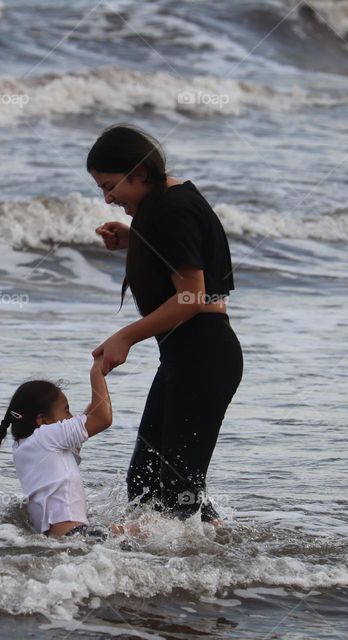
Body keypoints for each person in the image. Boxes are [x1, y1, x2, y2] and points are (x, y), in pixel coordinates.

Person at [86, 123, 243, 525]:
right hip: (188, 356)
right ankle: (216, 551)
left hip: (204, 355)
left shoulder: (171, 208)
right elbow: (186, 259)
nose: (108, 198)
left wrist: (127, 336)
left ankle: (192, 576)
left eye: (110, 186)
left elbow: (192, 295)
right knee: (145, 483)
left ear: (138, 174)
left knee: (177, 490)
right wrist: (138, 239)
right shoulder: (166, 204)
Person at [0, 356, 132, 538]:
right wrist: (97, 372)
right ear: (42, 420)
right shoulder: (48, 436)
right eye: (66, 410)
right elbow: (102, 418)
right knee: (146, 530)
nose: (71, 417)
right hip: (76, 534)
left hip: (63, 537)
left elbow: (91, 416)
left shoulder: (27, 446)